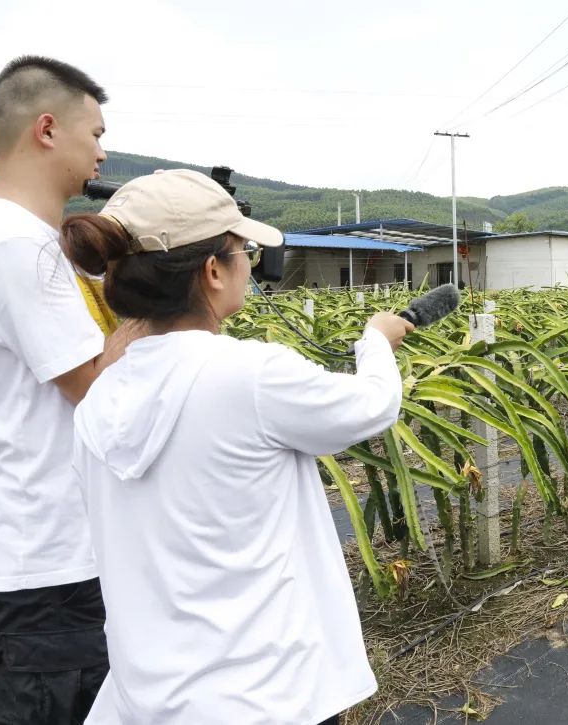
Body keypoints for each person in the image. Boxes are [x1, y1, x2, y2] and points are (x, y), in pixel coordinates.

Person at [59, 169, 414, 724]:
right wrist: (375, 340)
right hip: (266, 694)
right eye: (244, 249)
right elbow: (371, 406)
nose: (252, 262)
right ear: (212, 270)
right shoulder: (248, 375)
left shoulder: (99, 401)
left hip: (148, 699)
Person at [0, 55, 142, 723]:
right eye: (96, 133)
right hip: (54, 572)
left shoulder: (30, 240)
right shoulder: (13, 244)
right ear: (48, 129)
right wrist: (166, 306)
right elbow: (97, 388)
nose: (102, 151)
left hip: (61, 561)